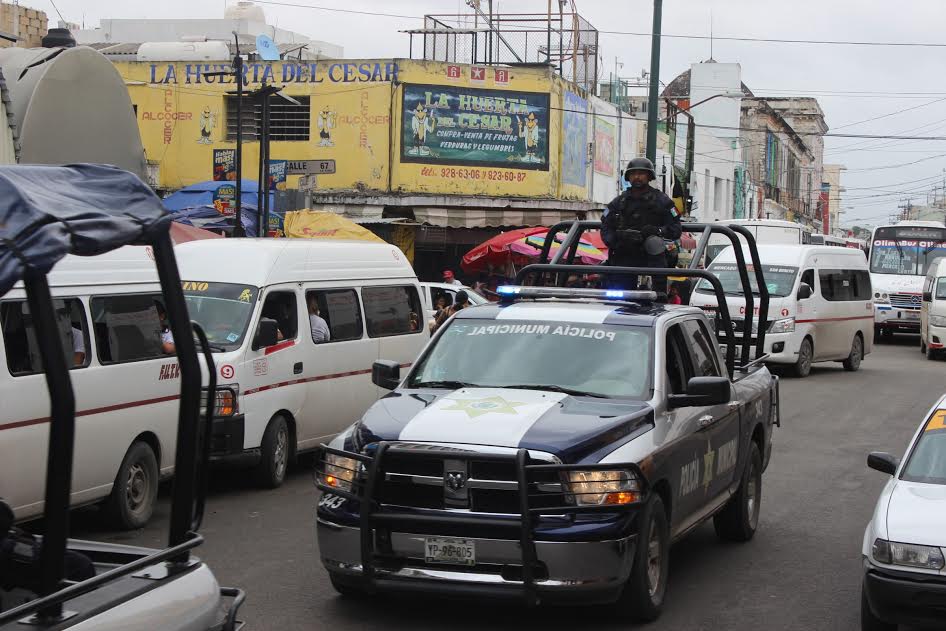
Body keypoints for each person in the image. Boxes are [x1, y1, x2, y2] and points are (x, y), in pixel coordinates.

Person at [601, 157, 683, 295]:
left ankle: (659, 296)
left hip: (652, 256)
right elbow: (606, 226)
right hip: (626, 253)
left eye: (641, 173)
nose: (637, 177)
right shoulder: (619, 202)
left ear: (649, 176)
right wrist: (614, 240)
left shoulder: (662, 201)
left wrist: (657, 231)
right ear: (628, 177)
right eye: (633, 174)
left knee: (654, 244)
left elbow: (676, 228)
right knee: (619, 298)